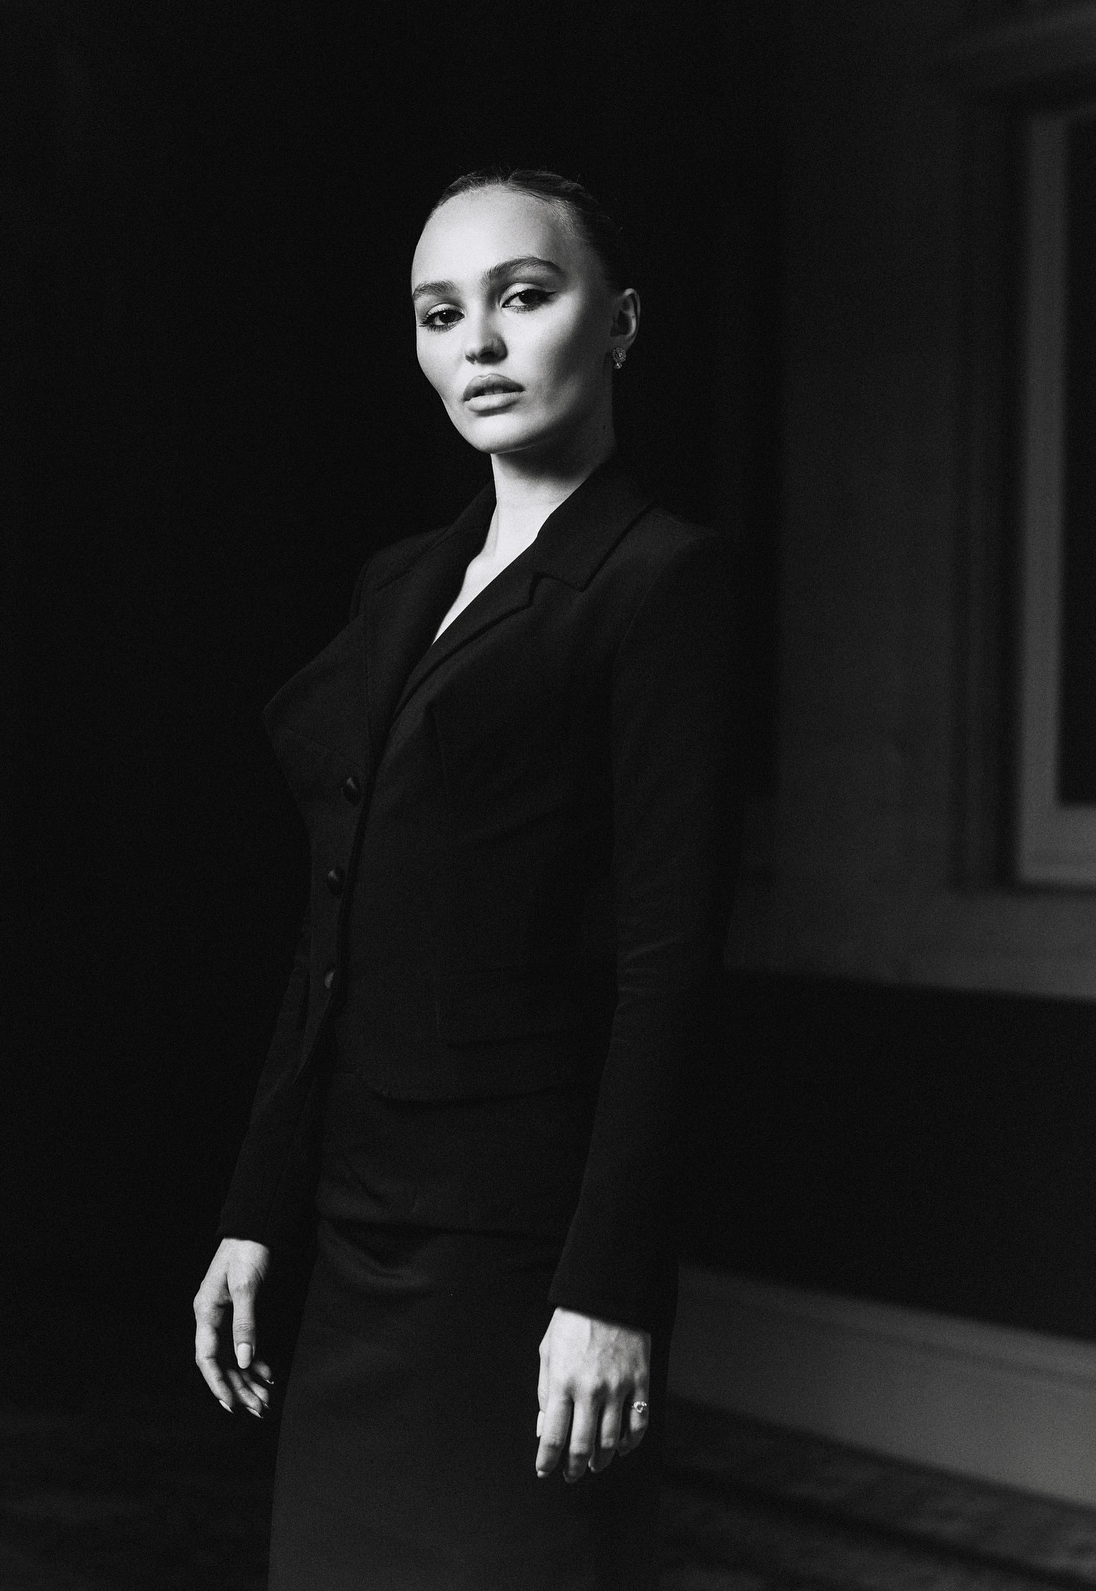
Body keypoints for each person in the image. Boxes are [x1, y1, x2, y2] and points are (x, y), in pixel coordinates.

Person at [193, 168, 743, 1589]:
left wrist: (608, 1293)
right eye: (442, 314)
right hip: (355, 1230)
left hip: (519, 1252)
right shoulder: (402, 581)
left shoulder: (660, 581)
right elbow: (331, 917)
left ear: (621, 322)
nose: (480, 344)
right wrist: (257, 1206)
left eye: (524, 295)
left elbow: (669, 967)